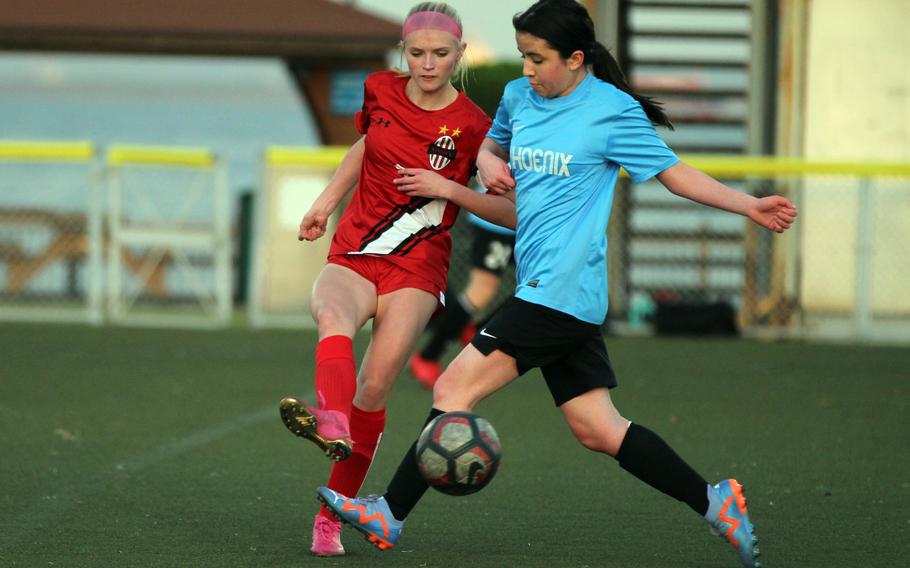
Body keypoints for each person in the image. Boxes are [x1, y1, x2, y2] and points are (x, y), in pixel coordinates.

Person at [315, 1, 797, 567]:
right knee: (598, 428)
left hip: (560, 292)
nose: (525, 71)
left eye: (536, 59)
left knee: (451, 389)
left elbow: (675, 174)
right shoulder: (521, 98)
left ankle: (390, 513)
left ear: (575, 59)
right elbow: (491, 147)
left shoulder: (612, 113)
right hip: (548, 292)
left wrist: (749, 205)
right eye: (521, 56)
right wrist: (491, 164)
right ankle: (716, 502)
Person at [277, 1, 513, 557]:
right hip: (356, 246)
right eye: (416, 53)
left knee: (376, 384)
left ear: (459, 56)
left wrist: (457, 184)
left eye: (439, 54)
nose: (426, 64)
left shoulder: (478, 126)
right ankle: (331, 420)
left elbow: (506, 209)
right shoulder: (380, 89)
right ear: (402, 54)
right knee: (331, 314)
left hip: (417, 264)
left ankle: (330, 517)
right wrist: (325, 201)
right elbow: (365, 146)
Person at [408, 204, 515, 388]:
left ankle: (479, 329)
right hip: (500, 220)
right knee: (482, 290)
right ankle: (428, 356)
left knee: (539, 284)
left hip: (534, 223)